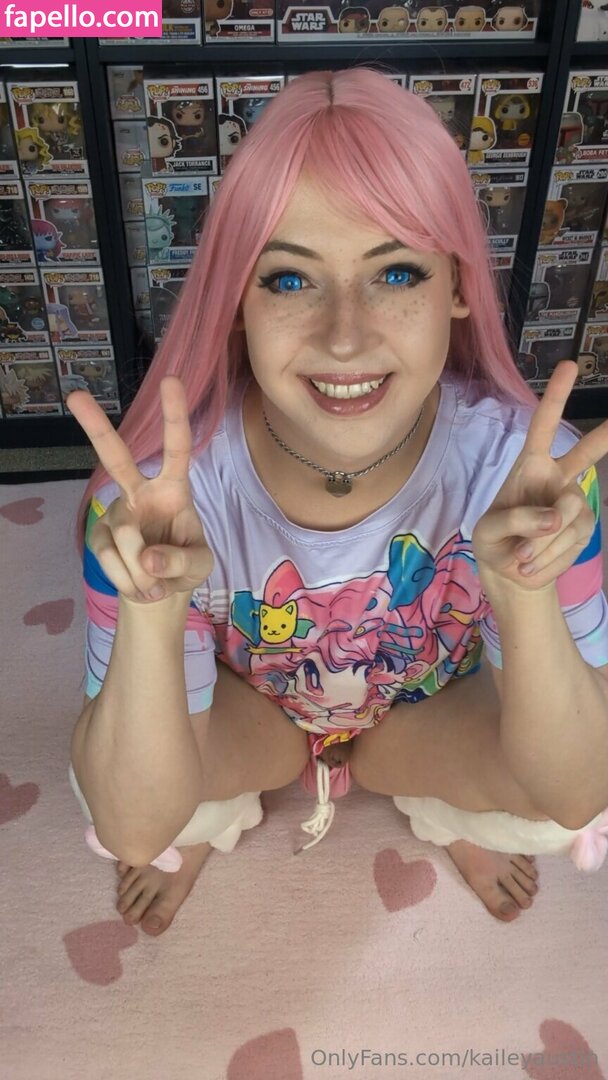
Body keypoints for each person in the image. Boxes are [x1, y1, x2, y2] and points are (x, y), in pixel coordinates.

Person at [67, 66, 608, 939]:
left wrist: (525, 597)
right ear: (235, 301)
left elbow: (577, 787)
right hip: (254, 722)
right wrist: (151, 617)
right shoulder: (151, 502)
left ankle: (439, 806)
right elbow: (131, 825)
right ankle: (213, 814)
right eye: (290, 280)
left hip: (422, 720)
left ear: (458, 286)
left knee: (555, 803)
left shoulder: (525, 478)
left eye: (396, 273)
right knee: (134, 787)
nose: (346, 337)